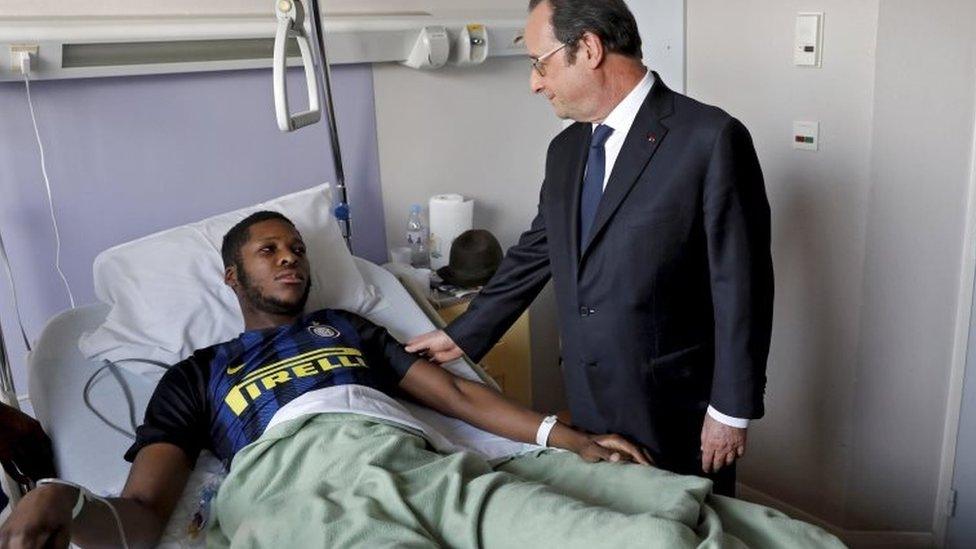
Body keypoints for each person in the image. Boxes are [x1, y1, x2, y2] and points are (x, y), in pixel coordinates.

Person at [0, 211, 662, 548]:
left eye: (297, 247)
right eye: (269, 250)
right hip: (303, 488)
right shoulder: (197, 374)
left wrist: (563, 436)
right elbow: (143, 513)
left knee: (644, 531)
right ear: (232, 277)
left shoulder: (347, 327)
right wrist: (70, 502)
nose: (290, 255)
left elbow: (456, 395)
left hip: (421, 467)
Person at [407, 0, 774, 497]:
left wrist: (729, 411)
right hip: (588, 394)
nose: (535, 82)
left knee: (693, 526)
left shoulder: (708, 139)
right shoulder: (566, 151)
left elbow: (743, 286)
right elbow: (539, 249)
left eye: (540, 62)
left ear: (589, 48)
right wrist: (463, 335)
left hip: (674, 402)